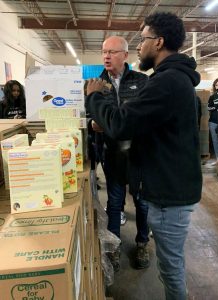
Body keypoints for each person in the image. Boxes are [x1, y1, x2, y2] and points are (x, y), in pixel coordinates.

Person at [86, 12, 202, 300]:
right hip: (159, 182)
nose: (140, 46)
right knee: (168, 264)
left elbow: (123, 123)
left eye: (144, 39)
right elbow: (141, 124)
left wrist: (95, 97)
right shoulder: (169, 79)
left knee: (170, 267)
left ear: (159, 42)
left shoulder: (167, 81)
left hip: (168, 193)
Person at [87, 36, 149, 271]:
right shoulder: (94, 83)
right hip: (110, 151)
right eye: (104, 52)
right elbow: (88, 112)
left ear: (125, 55)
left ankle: (142, 242)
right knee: (114, 202)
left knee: (142, 202)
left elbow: (147, 115)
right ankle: (113, 246)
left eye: (112, 52)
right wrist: (94, 122)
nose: (106, 56)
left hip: (139, 153)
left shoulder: (142, 82)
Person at [207, 78, 218, 165]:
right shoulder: (212, 96)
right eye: (216, 85)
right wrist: (215, 107)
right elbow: (208, 107)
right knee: (215, 141)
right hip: (213, 121)